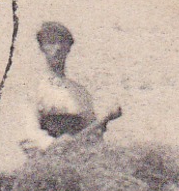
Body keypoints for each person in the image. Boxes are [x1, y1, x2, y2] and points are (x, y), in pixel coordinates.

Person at [21, 21, 121, 155]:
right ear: (42, 47)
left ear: (68, 48)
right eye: (50, 42)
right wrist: (53, 145)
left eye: (62, 43)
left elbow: (93, 135)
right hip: (45, 162)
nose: (57, 48)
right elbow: (30, 132)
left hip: (77, 161)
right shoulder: (33, 89)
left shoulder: (80, 93)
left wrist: (100, 126)